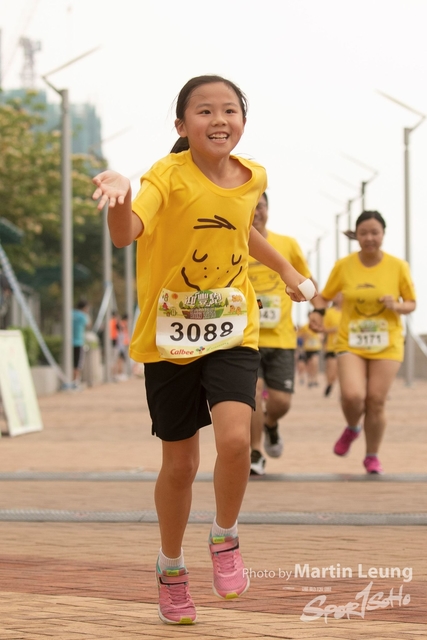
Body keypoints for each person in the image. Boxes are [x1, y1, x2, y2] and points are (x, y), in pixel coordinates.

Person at [91, 75, 314, 625]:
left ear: (243, 121)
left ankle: (225, 535)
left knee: (236, 438)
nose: (219, 120)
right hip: (170, 337)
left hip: (232, 328)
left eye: (229, 110)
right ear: (181, 124)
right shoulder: (165, 176)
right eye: (204, 110)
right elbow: (126, 233)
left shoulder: (253, 176)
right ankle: (170, 567)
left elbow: (241, 230)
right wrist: (121, 194)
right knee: (181, 465)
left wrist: (287, 270)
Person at [310, 211, 416, 474]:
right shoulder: (343, 265)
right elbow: (324, 297)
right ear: (356, 236)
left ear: (383, 234)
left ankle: (372, 456)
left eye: (374, 233)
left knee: (376, 400)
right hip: (351, 341)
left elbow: (411, 303)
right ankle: (353, 427)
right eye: (363, 233)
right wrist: (317, 313)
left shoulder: (398, 266)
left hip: (387, 341)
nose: (369, 238)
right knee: (353, 396)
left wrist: (396, 305)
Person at [247, 192, 312, 475]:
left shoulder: (287, 244)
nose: (256, 212)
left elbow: (304, 280)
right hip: (246, 337)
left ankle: (271, 424)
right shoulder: (231, 243)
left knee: (281, 401)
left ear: (268, 209)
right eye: (250, 207)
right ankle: (256, 451)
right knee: (252, 393)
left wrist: (316, 305)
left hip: (282, 337)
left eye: (260, 206)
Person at [322, 293, 343, 397]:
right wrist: (334, 329)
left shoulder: (350, 312)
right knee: (332, 372)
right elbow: (323, 329)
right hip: (332, 347)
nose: (341, 298)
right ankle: (329, 384)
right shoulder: (329, 313)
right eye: (339, 296)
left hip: (346, 347)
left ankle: (343, 392)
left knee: (344, 372)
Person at [297, 313, 323, 387]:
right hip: (307, 349)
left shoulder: (318, 326)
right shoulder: (305, 327)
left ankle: (315, 379)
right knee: (309, 365)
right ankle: (310, 380)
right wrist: (306, 336)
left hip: (315, 348)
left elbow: (322, 336)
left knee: (315, 363)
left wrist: (319, 337)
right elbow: (300, 337)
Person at [72, 299, 91, 385]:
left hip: (68, 342)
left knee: (71, 362)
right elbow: (88, 325)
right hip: (78, 342)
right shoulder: (83, 316)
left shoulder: (71, 313)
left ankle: (71, 380)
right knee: (77, 364)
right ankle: (75, 381)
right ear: (85, 307)